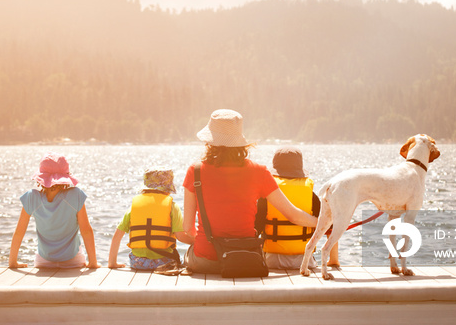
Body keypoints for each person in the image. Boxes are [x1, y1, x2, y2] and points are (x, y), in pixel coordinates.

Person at [182, 109, 318, 273]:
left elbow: (187, 229)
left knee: (189, 254)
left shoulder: (195, 171)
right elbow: (292, 215)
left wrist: (210, 245)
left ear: (209, 141)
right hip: (245, 258)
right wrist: (323, 223)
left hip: (205, 259)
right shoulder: (259, 171)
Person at [9, 153, 100, 269]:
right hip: (73, 261)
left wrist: (13, 263)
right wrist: (93, 263)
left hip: (44, 262)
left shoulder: (31, 197)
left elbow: (19, 232)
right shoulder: (75, 195)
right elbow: (86, 230)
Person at [255, 146, 339, 269]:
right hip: (305, 260)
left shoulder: (268, 195)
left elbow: (256, 228)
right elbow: (330, 226)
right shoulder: (310, 194)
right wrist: (333, 260)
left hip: (272, 260)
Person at [108, 169, 193, 270]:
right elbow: (181, 237)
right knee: (186, 260)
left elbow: (117, 236)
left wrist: (112, 263)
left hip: (137, 262)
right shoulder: (172, 206)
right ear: (168, 188)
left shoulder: (134, 206)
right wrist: (197, 242)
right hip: (163, 262)